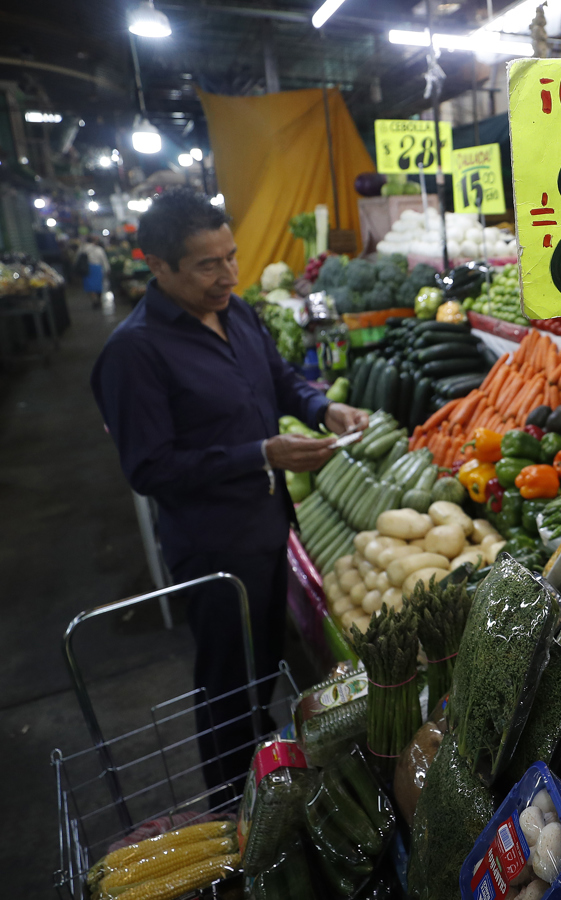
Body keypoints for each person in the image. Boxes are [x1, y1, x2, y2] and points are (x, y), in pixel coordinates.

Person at [91, 187, 368, 793]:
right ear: (158, 266)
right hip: (214, 548)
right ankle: (232, 809)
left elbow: (280, 379)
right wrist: (261, 453)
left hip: (269, 524)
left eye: (232, 257)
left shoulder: (236, 312)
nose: (228, 275)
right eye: (207, 264)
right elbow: (151, 469)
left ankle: (267, 781)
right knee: (227, 688)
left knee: (262, 668)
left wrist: (325, 408)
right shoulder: (134, 353)